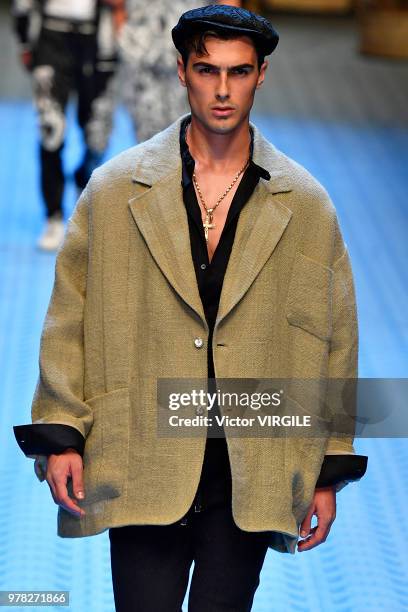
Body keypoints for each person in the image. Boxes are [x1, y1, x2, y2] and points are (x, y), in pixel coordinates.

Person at [14, 5, 368, 611]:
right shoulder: (116, 189)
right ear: (181, 72)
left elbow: (333, 342)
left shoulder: (307, 205)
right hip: (142, 451)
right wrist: (64, 433)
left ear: (262, 76)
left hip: (250, 466)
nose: (223, 89)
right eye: (208, 70)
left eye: (239, 71)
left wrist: (327, 467)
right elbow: (69, 316)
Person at [12, 0, 125, 251]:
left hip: (97, 40)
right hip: (50, 39)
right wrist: (24, 38)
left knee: (97, 132)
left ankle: (83, 180)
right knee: (50, 128)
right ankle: (53, 215)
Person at [117, 0, 241, 143]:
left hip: (194, 53)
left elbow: (229, 4)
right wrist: (119, 20)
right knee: (146, 139)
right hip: (140, 52)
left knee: (193, 134)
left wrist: (224, 48)